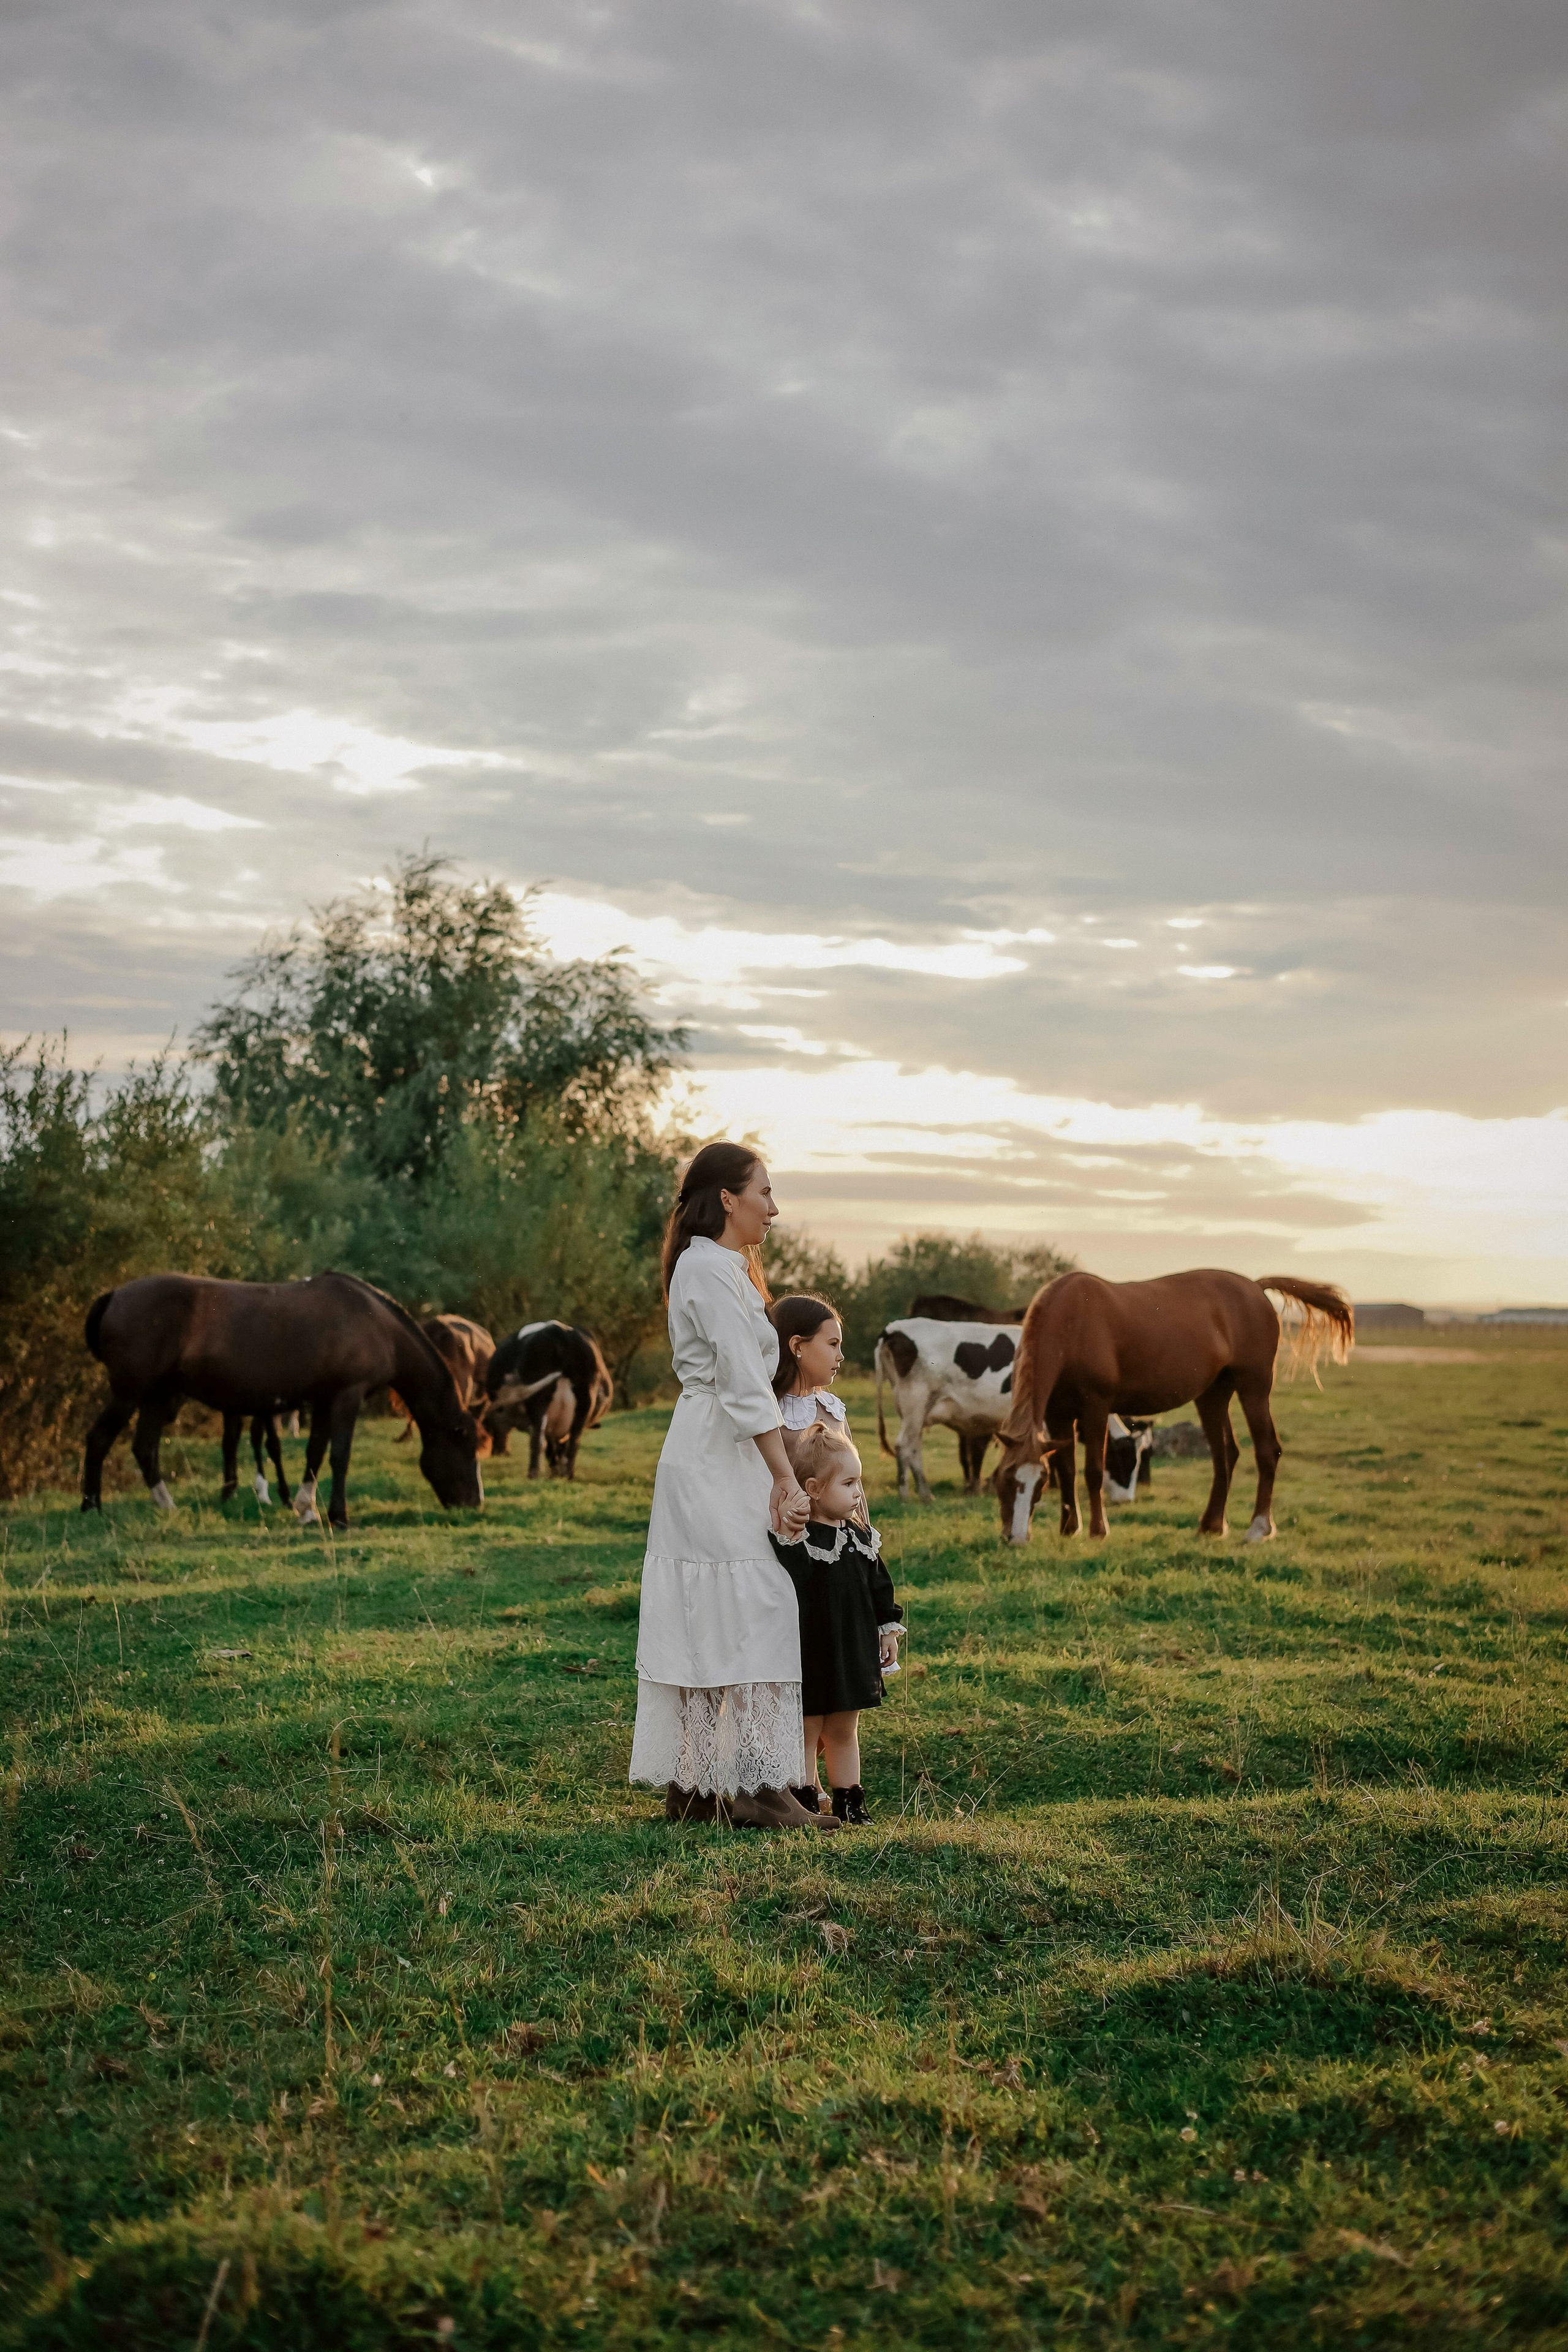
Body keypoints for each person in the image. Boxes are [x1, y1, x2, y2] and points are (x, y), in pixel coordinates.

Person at [628, 1142, 838, 1832]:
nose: (774, 1209)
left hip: (721, 1448)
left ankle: (697, 1787)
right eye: (765, 1193)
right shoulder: (708, 1269)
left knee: (722, 1608)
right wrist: (785, 1474)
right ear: (728, 1199)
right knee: (758, 1602)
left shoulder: (722, 1268)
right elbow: (742, 1382)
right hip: (717, 1452)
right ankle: (756, 1785)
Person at [769, 1418, 903, 1825]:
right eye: (848, 1484)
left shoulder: (862, 1539)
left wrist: (888, 1629)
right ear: (813, 1490)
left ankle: (850, 1802)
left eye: (859, 1483)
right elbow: (787, 1585)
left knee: (845, 1728)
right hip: (812, 1653)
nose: (858, 1493)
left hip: (853, 1652)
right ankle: (805, 1801)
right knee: (808, 1729)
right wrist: (787, 1535)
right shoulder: (799, 1540)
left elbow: (881, 1588)